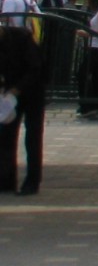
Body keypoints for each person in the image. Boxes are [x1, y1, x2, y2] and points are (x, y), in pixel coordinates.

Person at [0, 16, 48, 195]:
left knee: (33, 137)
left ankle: (32, 181)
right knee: (5, 136)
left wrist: (17, 89)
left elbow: (35, 68)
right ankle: (6, 180)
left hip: (32, 92)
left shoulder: (21, 37)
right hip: (9, 95)